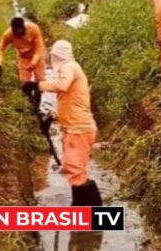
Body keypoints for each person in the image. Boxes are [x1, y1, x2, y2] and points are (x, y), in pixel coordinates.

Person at [34, 40, 102, 206]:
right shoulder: (70, 69)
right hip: (73, 127)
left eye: (54, 56)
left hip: (79, 129)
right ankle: (81, 207)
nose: (53, 59)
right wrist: (51, 117)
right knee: (73, 170)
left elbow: (62, 86)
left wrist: (38, 85)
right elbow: (70, 101)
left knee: (75, 170)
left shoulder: (70, 67)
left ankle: (93, 211)